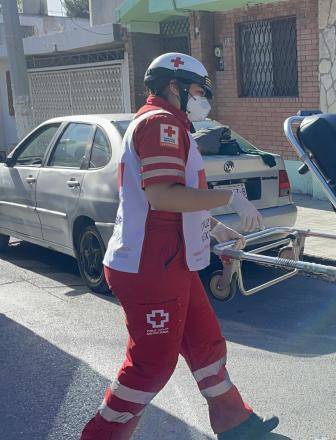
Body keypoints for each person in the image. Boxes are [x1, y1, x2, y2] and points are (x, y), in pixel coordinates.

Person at [81, 53, 278, 439]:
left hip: (170, 261)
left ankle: (235, 423)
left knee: (205, 344)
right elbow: (163, 195)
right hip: (150, 266)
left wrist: (217, 230)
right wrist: (229, 198)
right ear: (175, 87)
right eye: (199, 90)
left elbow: (180, 202)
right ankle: (100, 435)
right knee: (151, 364)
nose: (204, 98)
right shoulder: (160, 125)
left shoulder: (168, 124)